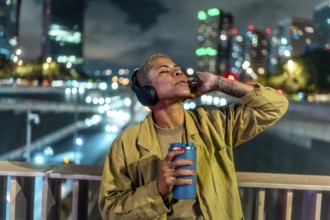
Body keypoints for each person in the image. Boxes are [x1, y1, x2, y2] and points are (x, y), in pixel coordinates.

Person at [98, 53, 289, 219]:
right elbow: (111, 210)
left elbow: (275, 106)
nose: (178, 72)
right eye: (165, 71)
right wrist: (157, 189)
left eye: (177, 68)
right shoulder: (127, 143)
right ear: (148, 93)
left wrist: (219, 83)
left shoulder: (213, 123)